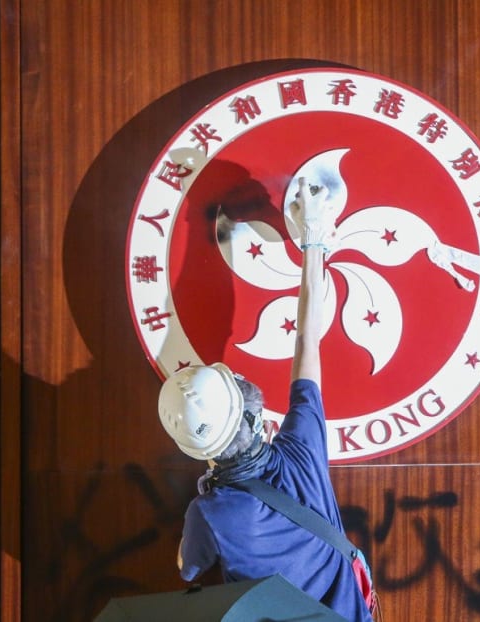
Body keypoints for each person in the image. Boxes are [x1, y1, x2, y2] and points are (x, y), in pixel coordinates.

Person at [157, 177, 374, 622]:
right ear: (259, 422)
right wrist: (314, 241)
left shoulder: (209, 512)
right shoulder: (301, 452)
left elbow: (188, 570)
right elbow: (307, 338)